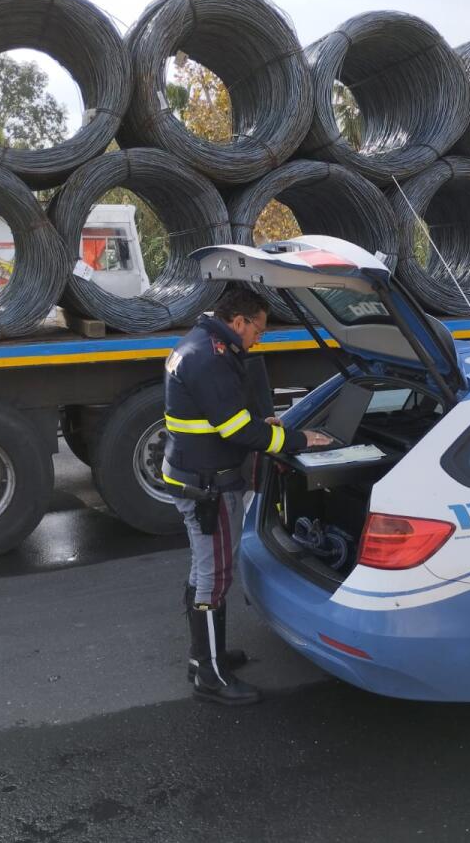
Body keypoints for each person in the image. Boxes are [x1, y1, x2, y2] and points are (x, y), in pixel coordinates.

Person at [162, 287, 331, 706]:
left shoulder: (199, 343)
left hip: (193, 473)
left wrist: (260, 424)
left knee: (205, 569)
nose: (259, 339)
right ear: (238, 322)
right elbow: (235, 429)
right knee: (214, 576)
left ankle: (204, 656)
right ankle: (211, 678)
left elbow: (224, 417)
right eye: (259, 329)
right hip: (208, 485)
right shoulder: (211, 357)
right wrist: (297, 439)